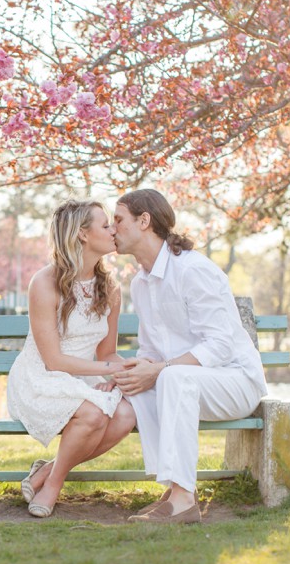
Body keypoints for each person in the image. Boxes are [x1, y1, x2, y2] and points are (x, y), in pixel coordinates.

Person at [110, 189, 268, 523]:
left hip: (236, 381)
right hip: (184, 381)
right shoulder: (140, 283)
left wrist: (160, 369)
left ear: (144, 221)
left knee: (170, 377)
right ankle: (173, 488)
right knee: (141, 388)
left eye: (118, 219)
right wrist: (129, 374)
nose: (112, 229)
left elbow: (219, 346)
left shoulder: (192, 270)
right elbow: (151, 351)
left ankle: (183, 501)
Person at [7, 200, 138, 518]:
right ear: (82, 234)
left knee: (126, 414)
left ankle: (47, 472)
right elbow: (53, 360)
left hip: (84, 375)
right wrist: (108, 369)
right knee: (94, 415)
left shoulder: (110, 288)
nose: (113, 229)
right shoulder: (45, 282)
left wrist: (116, 375)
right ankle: (54, 486)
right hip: (42, 377)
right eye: (105, 224)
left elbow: (107, 353)